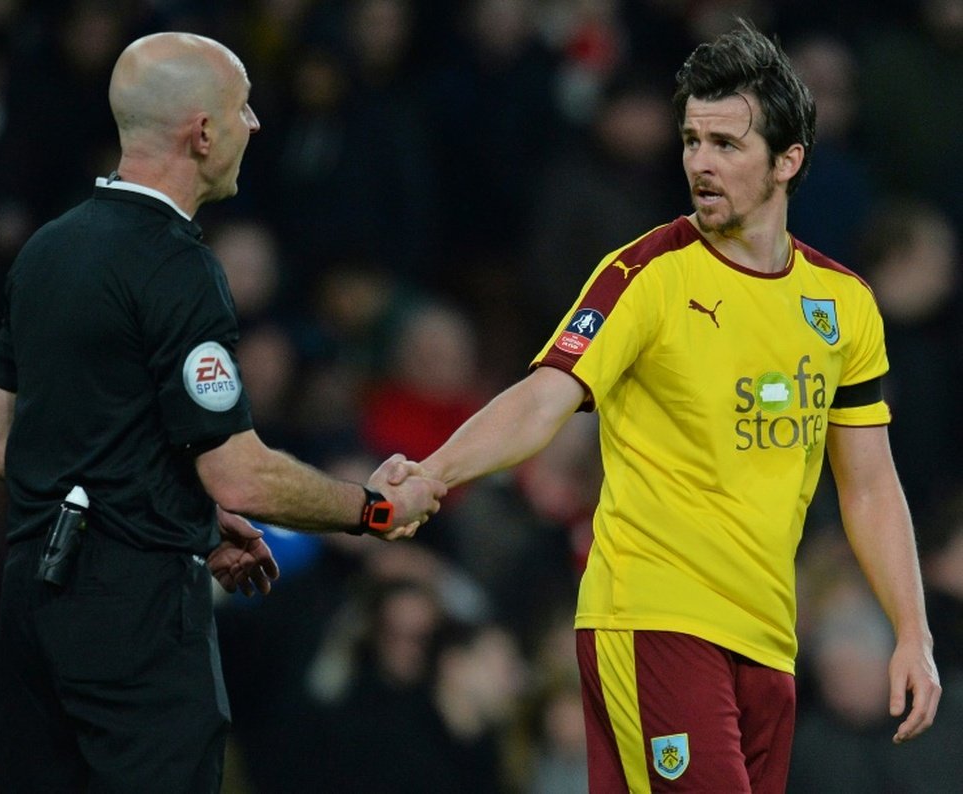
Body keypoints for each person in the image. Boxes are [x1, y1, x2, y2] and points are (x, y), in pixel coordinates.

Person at [396, 19, 941, 793]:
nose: (700, 163)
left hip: (767, 637)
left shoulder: (843, 305)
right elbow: (543, 400)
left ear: (789, 161)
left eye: (727, 145)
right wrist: (434, 473)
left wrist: (911, 632)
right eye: (692, 141)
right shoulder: (646, 274)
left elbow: (869, 486)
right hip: (653, 617)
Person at [0, 31, 445, 793]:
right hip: (133, 616)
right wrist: (377, 510)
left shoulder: (45, 251)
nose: (256, 125)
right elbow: (243, 476)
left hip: (31, 606)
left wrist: (187, 516)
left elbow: (1, 448)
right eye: (243, 108)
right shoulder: (178, 268)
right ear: (202, 132)